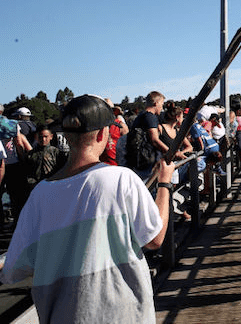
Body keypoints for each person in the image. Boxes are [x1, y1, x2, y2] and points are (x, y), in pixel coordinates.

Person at [0, 95, 175, 323]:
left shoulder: (39, 195)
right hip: (123, 316)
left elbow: (14, 269)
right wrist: (164, 183)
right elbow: (154, 238)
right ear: (103, 134)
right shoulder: (122, 179)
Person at [129, 91, 169, 179]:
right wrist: (170, 152)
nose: (162, 107)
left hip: (138, 160)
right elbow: (154, 140)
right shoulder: (150, 117)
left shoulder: (141, 116)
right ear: (156, 103)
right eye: (162, 104)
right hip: (148, 163)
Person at [21, 125, 63, 200]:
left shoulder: (57, 153)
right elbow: (26, 172)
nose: (43, 139)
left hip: (53, 187)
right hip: (35, 188)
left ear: (51, 137)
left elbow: (61, 171)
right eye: (40, 137)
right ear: (36, 137)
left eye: (46, 136)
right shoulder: (30, 154)